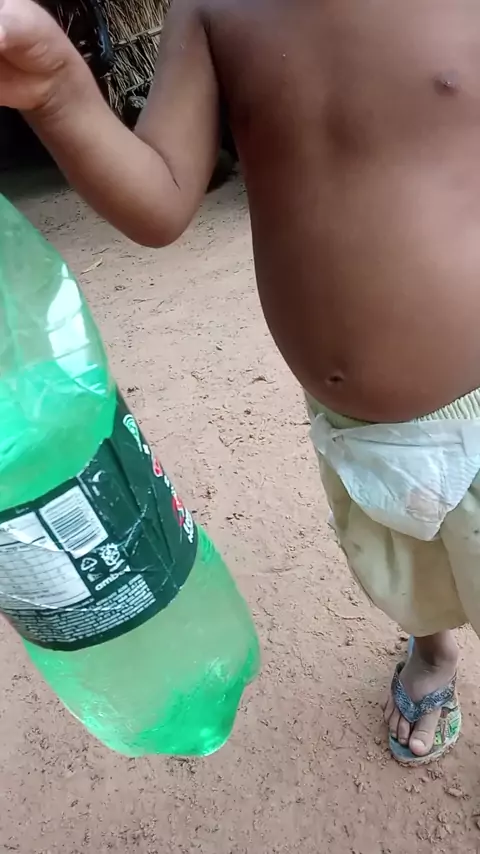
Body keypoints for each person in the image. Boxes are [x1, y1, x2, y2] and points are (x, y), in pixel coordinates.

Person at [1, 0, 479, 767]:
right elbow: (160, 199)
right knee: (405, 566)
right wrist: (57, 87)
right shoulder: (214, 8)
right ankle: (433, 648)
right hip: (347, 424)